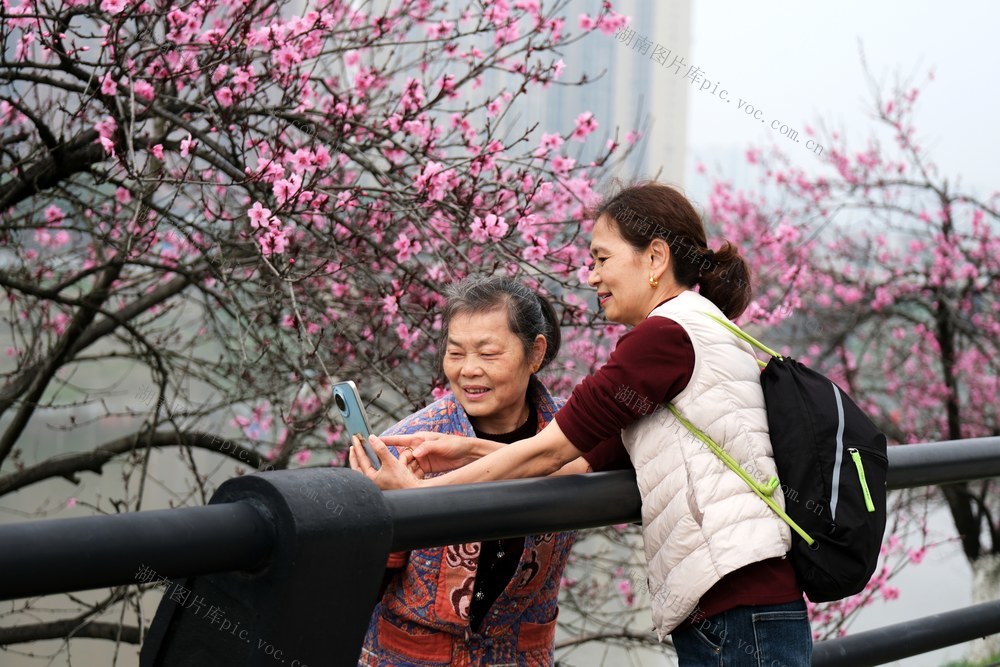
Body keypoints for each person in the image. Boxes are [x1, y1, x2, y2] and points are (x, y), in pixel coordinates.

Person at [353, 183, 813, 666]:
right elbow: (577, 465)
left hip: (733, 598)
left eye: (602, 259)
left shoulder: (664, 337)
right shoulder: (706, 327)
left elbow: (546, 451)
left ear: (655, 258)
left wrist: (415, 497)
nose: (591, 276)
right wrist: (467, 450)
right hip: (743, 596)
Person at [348, 276, 619, 667]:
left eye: (488, 354)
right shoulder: (409, 444)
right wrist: (386, 513)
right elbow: (358, 585)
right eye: (456, 354)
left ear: (535, 353)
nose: (468, 371)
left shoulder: (572, 432)